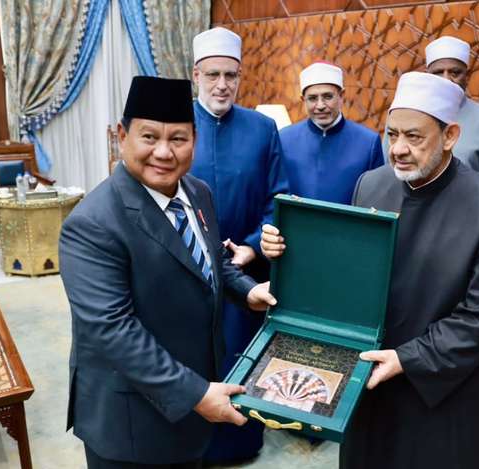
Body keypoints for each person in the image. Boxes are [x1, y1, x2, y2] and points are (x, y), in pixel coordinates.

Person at [262, 72, 479, 469]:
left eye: (414, 137)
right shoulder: (370, 184)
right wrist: (287, 253)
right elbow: (348, 273)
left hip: (444, 386)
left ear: (450, 135)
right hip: (371, 377)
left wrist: (407, 359)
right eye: (391, 134)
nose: (398, 149)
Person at [59, 76, 276, 469]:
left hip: (193, 401)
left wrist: (246, 291)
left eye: (178, 139)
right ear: (122, 136)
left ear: (195, 139)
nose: (163, 152)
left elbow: (209, 259)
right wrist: (195, 394)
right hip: (131, 422)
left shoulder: (197, 192)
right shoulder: (92, 224)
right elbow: (112, 331)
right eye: (149, 137)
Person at [190, 27, 290, 463]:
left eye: (231, 75)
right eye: (213, 75)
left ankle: (240, 443)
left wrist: (251, 247)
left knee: (238, 357)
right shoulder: (176, 125)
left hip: (245, 271)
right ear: (196, 75)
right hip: (184, 265)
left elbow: (278, 198)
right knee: (190, 357)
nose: (222, 85)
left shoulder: (263, 128)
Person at [382, 36, 479, 176]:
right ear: (427, 75)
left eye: (455, 72)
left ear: (467, 76)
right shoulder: (402, 114)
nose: (446, 79)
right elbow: (388, 169)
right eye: (438, 72)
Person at [279, 60, 383, 204]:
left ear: (342, 96)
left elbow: (377, 202)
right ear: (303, 100)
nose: (320, 105)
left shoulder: (369, 142)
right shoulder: (283, 139)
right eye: (313, 98)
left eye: (328, 96)